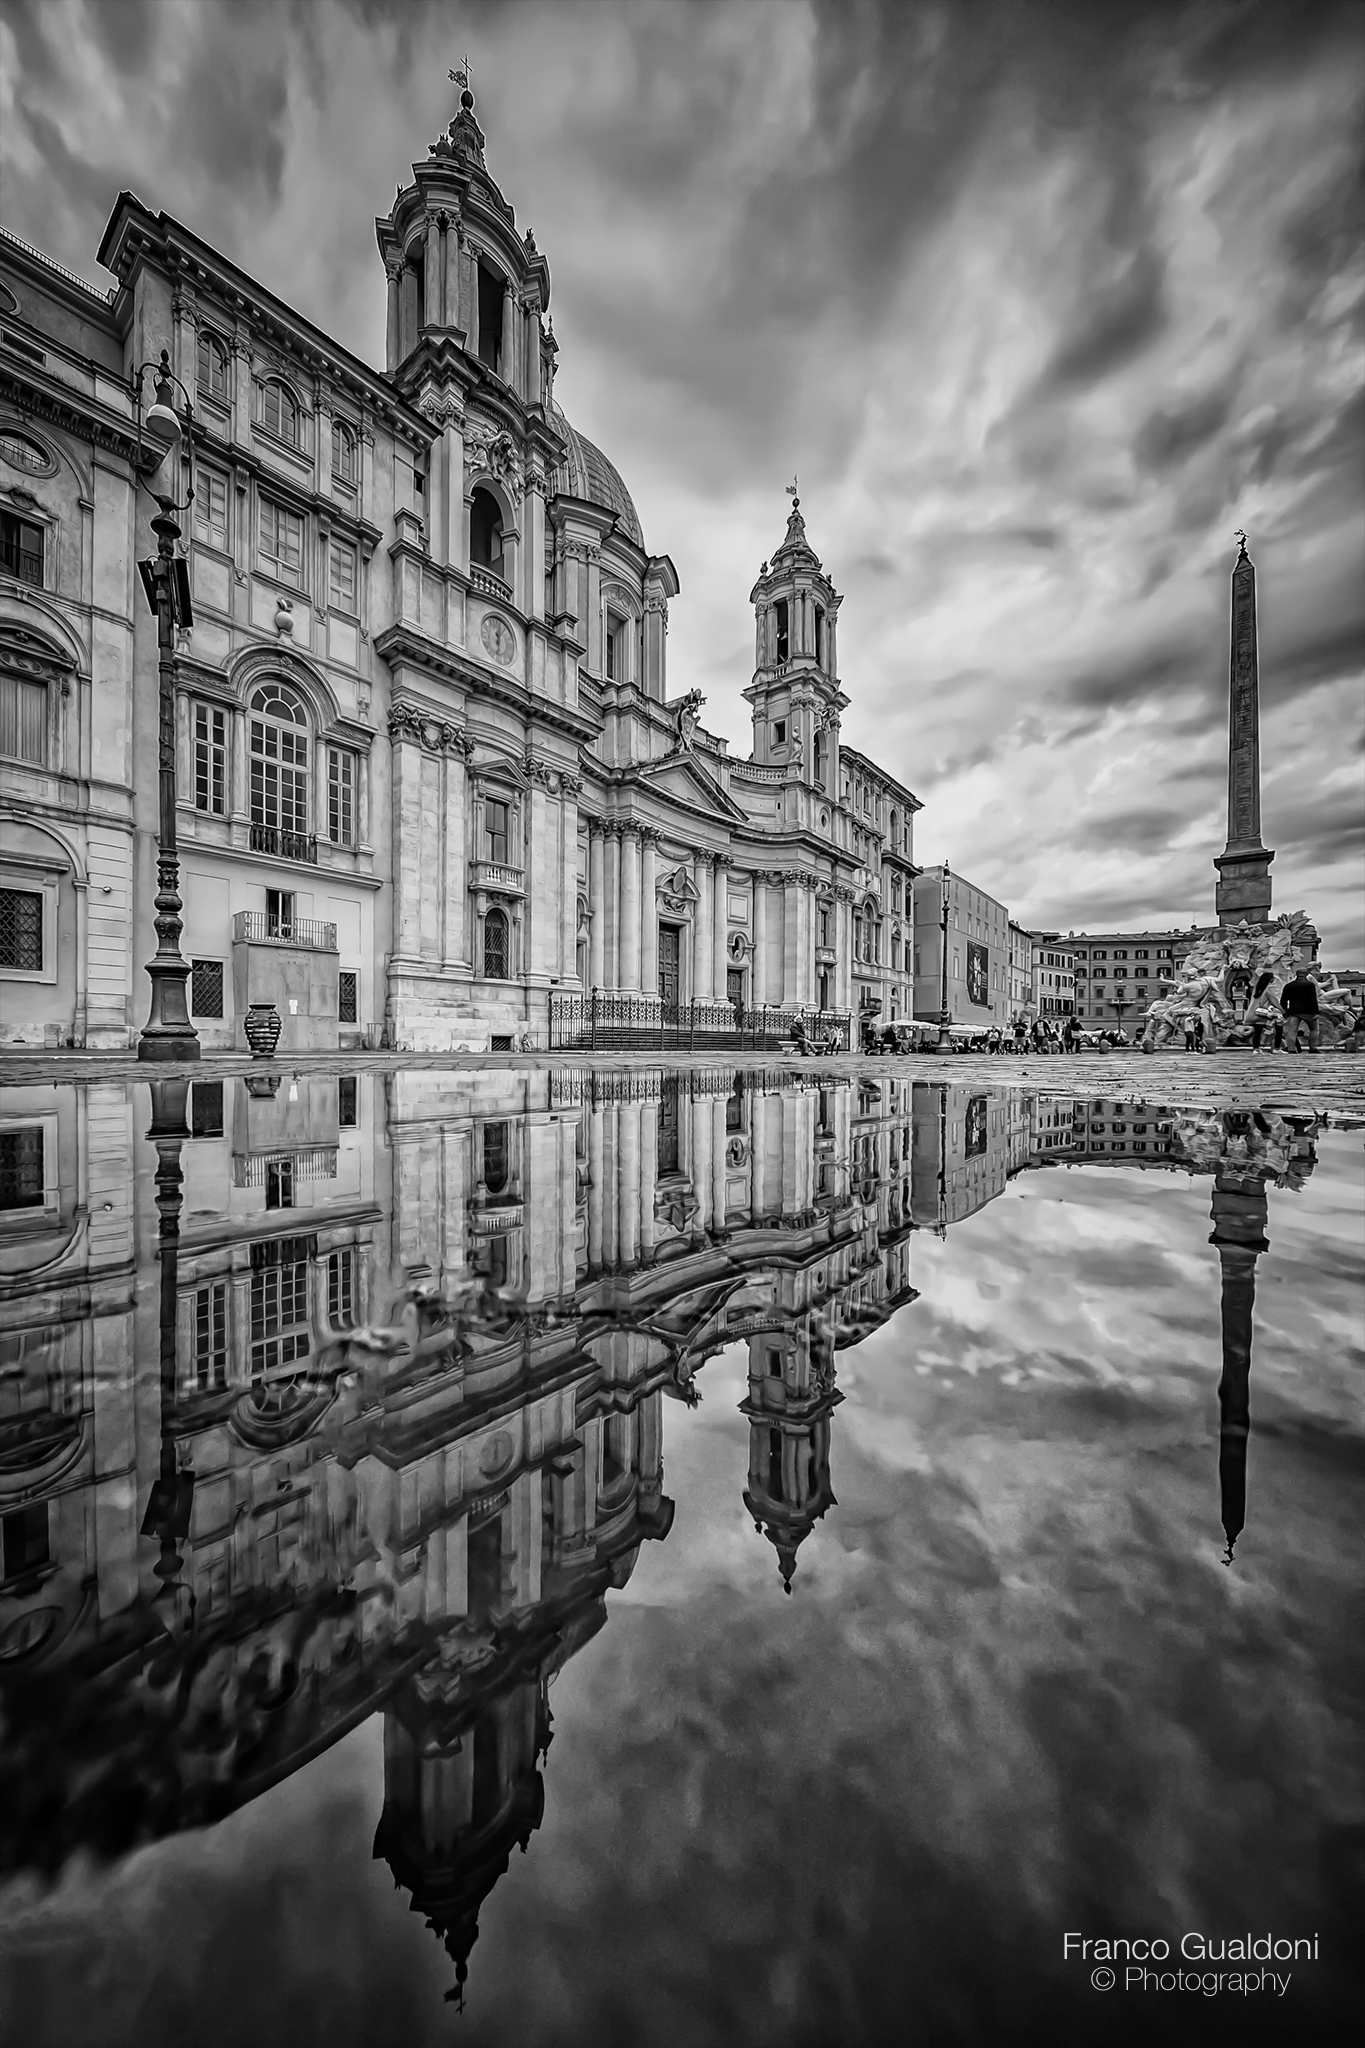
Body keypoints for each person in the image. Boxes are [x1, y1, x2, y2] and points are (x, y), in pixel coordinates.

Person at [1280, 967, 1321, 1052]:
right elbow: (1313, 999)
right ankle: (1313, 1048)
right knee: (1314, 1030)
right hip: (1309, 1012)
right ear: (1306, 974)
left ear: (1296, 974)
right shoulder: (1309, 985)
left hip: (1294, 1012)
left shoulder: (1289, 985)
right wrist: (1316, 1012)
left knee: (1292, 1031)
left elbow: (1283, 1000)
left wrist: (1285, 1011)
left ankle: (1291, 1049)